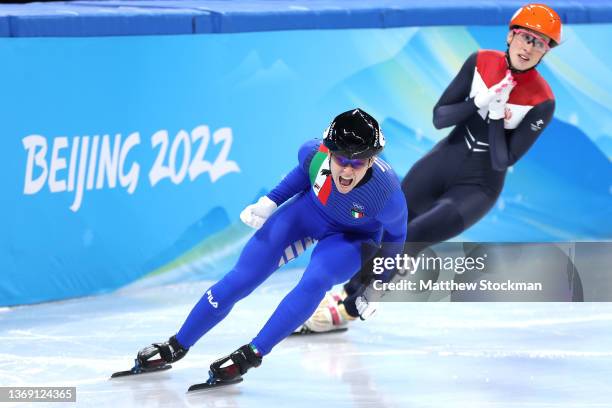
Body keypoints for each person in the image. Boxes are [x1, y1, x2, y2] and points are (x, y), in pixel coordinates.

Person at [301, 3, 561, 332]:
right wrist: (478, 103)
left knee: (415, 235)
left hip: (479, 187)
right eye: (525, 37)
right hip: (442, 161)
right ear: (511, 35)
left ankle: (350, 307)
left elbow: (503, 160)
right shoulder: (481, 62)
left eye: (540, 43)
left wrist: (496, 117)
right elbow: (440, 117)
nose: (529, 48)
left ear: (546, 51)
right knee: (387, 222)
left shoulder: (542, 100)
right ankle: (345, 293)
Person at [134, 108, 407, 383]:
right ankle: (177, 345)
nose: (347, 169)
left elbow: (396, 238)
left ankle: (252, 354)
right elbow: (302, 174)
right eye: (341, 159)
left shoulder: (387, 195)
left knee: (316, 280)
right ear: (328, 151)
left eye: (358, 163)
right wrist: (270, 201)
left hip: (352, 237)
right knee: (242, 277)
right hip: (308, 213)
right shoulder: (313, 153)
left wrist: (377, 285)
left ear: (372, 161)